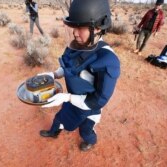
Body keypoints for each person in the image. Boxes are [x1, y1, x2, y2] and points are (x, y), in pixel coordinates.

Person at [38, 0, 120, 151]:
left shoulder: (107, 60)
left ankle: (91, 141)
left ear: (97, 28)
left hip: (89, 109)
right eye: (73, 27)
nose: (75, 33)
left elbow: (97, 101)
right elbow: (68, 66)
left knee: (86, 130)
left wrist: (67, 97)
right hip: (72, 99)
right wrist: (54, 74)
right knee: (59, 117)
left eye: (80, 27)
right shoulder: (77, 44)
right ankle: (54, 132)